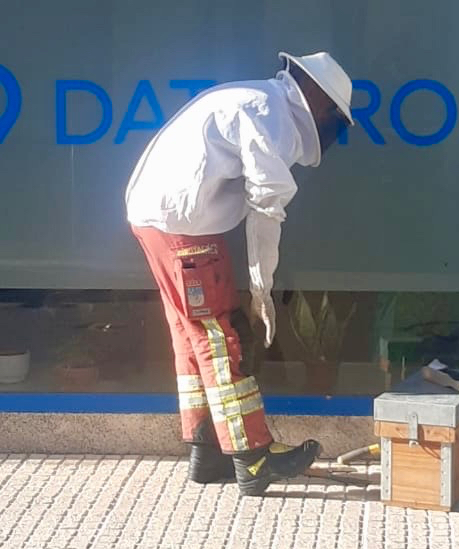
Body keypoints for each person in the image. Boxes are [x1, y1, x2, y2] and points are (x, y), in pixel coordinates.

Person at [124, 52, 354, 496]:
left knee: (190, 336)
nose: (330, 127)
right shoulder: (271, 117)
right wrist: (261, 289)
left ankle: (206, 448)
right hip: (182, 227)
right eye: (332, 115)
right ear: (316, 98)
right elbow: (267, 205)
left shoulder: (256, 99)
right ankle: (253, 457)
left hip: (158, 220)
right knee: (217, 336)